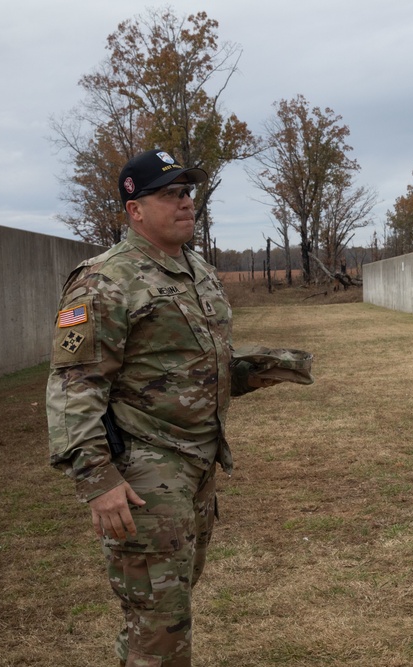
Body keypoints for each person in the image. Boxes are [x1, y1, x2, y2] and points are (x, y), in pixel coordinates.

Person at [46, 149, 271, 667]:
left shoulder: (198, 271)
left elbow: (190, 364)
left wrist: (263, 367)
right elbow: (72, 386)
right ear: (134, 210)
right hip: (145, 472)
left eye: (188, 192)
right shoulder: (106, 279)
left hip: (197, 464)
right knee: (159, 620)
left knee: (166, 607)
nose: (186, 202)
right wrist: (98, 481)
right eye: (170, 193)